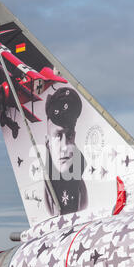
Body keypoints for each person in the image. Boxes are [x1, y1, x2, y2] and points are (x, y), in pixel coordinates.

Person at [44, 87, 88, 215]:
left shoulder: (78, 176)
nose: (65, 146)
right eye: (58, 136)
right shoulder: (50, 182)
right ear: (47, 142)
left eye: (69, 136)